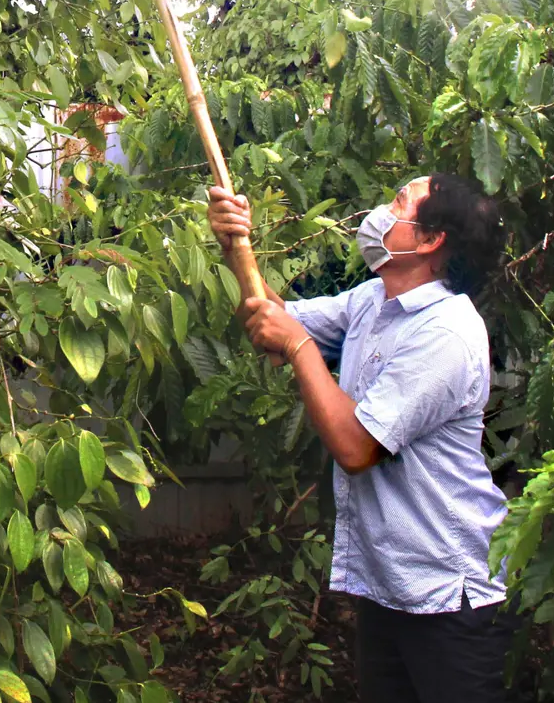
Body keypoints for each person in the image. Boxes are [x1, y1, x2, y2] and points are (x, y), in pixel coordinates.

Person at [207, 174, 513, 703]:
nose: (381, 211)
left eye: (398, 203)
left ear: (429, 240)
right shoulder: (374, 300)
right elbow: (270, 326)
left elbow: (356, 448)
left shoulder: (447, 333)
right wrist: (236, 248)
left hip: (450, 596)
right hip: (390, 585)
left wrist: (300, 345)